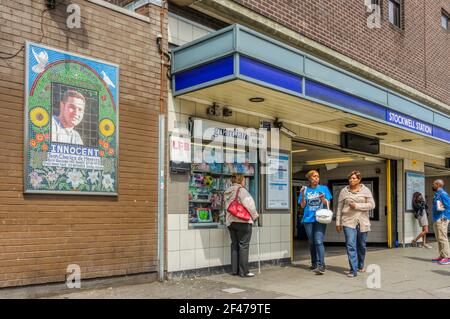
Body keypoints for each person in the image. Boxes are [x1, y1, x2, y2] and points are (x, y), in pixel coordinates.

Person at [336, 171, 375, 278]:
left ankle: (360, 265)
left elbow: (372, 205)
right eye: (350, 178)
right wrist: (338, 223)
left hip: (363, 222)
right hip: (348, 221)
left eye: (354, 178)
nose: (351, 180)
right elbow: (339, 208)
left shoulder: (366, 190)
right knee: (350, 244)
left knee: (361, 245)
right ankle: (353, 270)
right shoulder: (344, 191)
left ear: (359, 179)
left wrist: (357, 206)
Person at [224, 174, 259, 277]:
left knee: (234, 245)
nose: (244, 182)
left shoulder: (228, 191)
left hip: (231, 222)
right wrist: (255, 215)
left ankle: (234, 270)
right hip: (243, 222)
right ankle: (244, 271)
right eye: (244, 180)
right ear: (241, 180)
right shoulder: (242, 191)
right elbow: (250, 205)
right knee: (243, 245)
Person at [298, 170, 332, 275]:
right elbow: (302, 206)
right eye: (314, 176)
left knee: (318, 241)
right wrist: (303, 195)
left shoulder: (324, 188)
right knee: (312, 242)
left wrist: (323, 199)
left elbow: (328, 203)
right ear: (309, 178)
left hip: (320, 218)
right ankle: (314, 263)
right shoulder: (305, 189)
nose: (316, 178)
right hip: (308, 219)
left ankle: (321, 265)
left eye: (317, 176)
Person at [431, 179, 450, 265]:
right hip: (436, 219)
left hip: (442, 219)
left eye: (434, 184)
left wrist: (445, 217)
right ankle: (442, 255)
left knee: (443, 238)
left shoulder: (443, 194)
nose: (433, 185)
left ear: (438, 184)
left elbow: (448, 206)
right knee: (439, 238)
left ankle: (447, 257)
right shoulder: (437, 194)